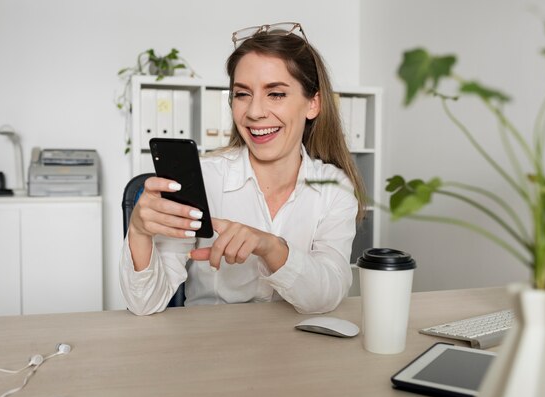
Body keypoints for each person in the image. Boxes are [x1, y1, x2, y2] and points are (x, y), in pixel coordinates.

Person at [120, 22, 367, 315]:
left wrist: (271, 248)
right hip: (213, 346)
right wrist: (137, 232)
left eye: (276, 94)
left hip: (297, 348)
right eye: (242, 94)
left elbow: (326, 296)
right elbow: (144, 302)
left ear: (313, 104)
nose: (253, 112)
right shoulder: (203, 178)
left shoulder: (334, 190)